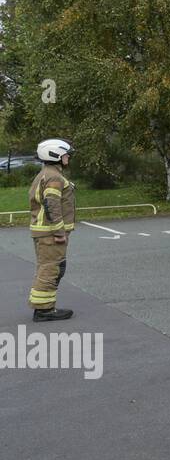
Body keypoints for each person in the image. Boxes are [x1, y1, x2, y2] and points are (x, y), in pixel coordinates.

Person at [27, 138, 76, 322]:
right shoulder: (54, 177)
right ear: (55, 154)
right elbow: (52, 205)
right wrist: (59, 231)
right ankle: (44, 310)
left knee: (48, 268)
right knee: (51, 269)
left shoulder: (47, 173)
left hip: (44, 231)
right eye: (65, 154)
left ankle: (43, 306)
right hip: (50, 233)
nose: (68, 157)